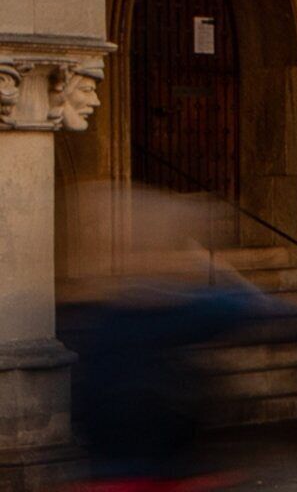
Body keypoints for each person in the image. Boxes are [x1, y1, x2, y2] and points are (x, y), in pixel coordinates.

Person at [64, 188, 264, 492]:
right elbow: (250, 306)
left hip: (112, 473)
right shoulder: (168, 314)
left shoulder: (105, 316)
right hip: (153, 475)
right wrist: (212, 265)